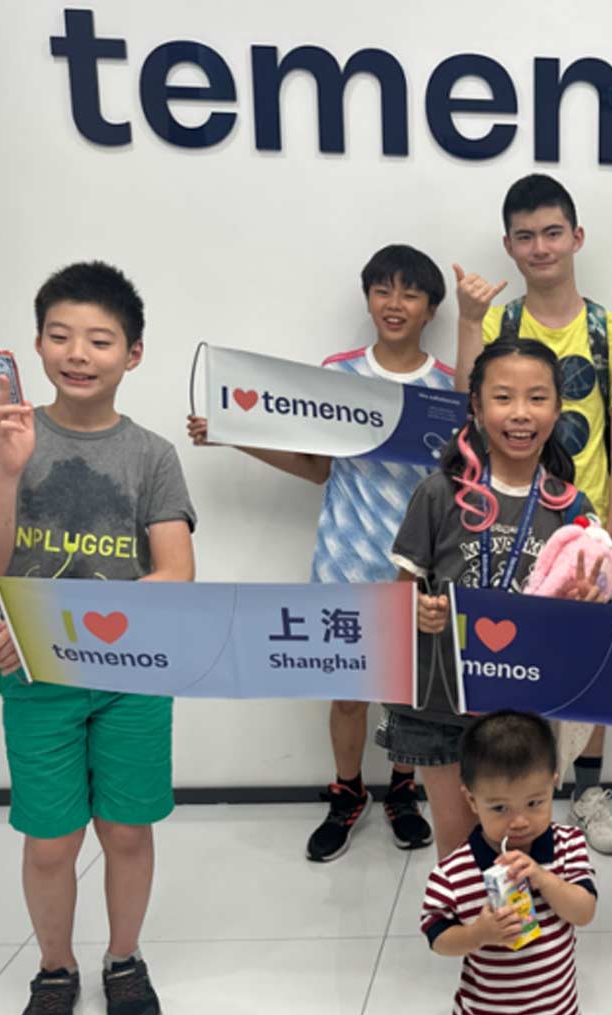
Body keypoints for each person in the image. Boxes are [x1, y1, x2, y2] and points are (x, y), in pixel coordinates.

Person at [0, 261, 194, 1015]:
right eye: (60, 336)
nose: (78, 353)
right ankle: (54, 969)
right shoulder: (2, 437)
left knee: (126, 831)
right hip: (36, 680)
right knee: (51, 839)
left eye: (100, 339)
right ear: (36, 344)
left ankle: (123, 959)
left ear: (134, 354)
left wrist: (59, 624)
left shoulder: (153, 454)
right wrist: (11, 468)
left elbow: (175, 574)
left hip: (132, 679)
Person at [186, 244, 445, 861]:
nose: (394, 303)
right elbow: (317, 469)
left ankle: (403, 792)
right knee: (349, 692)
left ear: (431, 308)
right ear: (368, 298)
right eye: (383, 290)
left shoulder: (447, 387)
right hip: (344, 560)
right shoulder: (339, 376)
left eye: (410, 293)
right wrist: (235, 434)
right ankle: (349, 791)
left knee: (408, 693)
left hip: (416, 571)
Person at [452, 174, 612, 855]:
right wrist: (465, 321)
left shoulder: (611, 332)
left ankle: (587, 794)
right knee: (513, 662)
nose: (541, 247)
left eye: (552, 233)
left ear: (577, 237)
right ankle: (513, 797)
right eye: (525, 236)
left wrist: (609, 536)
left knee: (593, 669)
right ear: (509, 246)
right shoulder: (500, 324)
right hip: (507, 521)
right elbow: (467, 409)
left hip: (583, 530)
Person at [384, 338, 607, 860]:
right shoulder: (439, 492)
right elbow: (400, 598)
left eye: (537, 398)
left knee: (520, 850)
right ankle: (472, 939)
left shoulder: (572, 507)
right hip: (442, 702)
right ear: (477, 409)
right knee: (460, 850)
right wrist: (419, 611)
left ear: (558, 408)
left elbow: (584, 621)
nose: (521, 414)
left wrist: (590, 600)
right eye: (503, 398)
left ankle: (524, 942)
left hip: (526, 708)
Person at [421, 710, 597, 1015]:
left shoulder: (568, 846)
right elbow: (438, 940)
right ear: (471, 801)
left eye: (535, 803)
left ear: (553, 784)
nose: (519, 821)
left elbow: (583, 912)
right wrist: (478, 934)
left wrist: (544, 879)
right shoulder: (453, 873)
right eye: (500, 808)